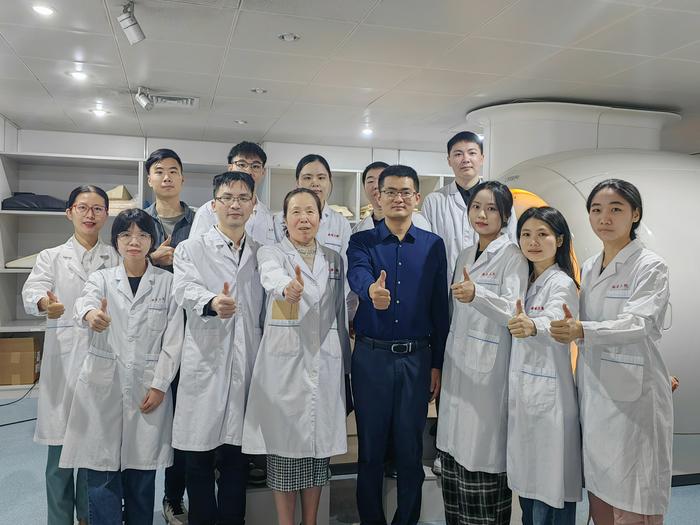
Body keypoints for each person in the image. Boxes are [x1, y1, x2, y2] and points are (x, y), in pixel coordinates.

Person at [550, 179, 672, 525]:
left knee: (634, 494)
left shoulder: (650, 265)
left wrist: (582, 330)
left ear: (635, 214)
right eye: (596, 210)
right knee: (601, 492)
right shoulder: (589, 266)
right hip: (596, 390)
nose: (604, 217)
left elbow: (641, 324)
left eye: (616, 209)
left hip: (633, 399)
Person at [59, 208, 183, 525]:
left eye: (142, 235)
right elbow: (83, 302)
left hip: (146, 390)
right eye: (126, 234)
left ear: (151, 241)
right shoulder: (102, 279)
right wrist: (91, 315)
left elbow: (173, 341)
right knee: (101, 475)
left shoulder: (167, 284)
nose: (134, 241)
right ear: (116, 241)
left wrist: (159, 385)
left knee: (141, 478)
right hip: (103, 388)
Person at [242, 188, 350, 525]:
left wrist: (344, 362)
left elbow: (339, 312)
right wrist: (288, 288)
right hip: (284, 365)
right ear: (284, 220)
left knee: (319, 454)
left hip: (325, 360)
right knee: (284, 452)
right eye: (296, 212)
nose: (304, 218)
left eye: (311, 212)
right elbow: (271, 278)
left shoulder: (334, 259)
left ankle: (311, 521)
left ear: (320, 217)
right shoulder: (271, 253)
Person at [347, 165, 448, 525]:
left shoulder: (433, 246)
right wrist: (371, 290)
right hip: (371, 358)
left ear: (416, 198)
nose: (398, 198)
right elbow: (356, 271)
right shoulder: (362, 241)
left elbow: (440, 308)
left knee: (409, 451)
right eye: (390, 191)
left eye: (405, 192)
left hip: (417, 359)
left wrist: (437, 363)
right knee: (370, 451)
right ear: (379, 196)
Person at [21, 185, 119, 525]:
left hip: (103, 361)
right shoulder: (51, 257)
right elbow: (32, 290)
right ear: (69, 212)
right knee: (60, 455)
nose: (90, 215)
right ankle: (59, 520)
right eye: (82, 207)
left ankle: (88, 517)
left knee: (94, 454)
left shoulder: (116, 257)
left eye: (97, 209)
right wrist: (47, 304)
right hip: (64, 360)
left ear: (106, 215)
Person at [172, 171, 265, 525]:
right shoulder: (191, 249)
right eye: (227, 198)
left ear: (253, 205)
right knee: (198, 458)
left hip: (246, 364)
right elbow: (182, 288)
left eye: (243, 198)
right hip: (205, 362)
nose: (235, 204)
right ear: (214, 206)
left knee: (236, 459)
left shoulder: (261, 254)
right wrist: (211, 301)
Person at [436, 180, 528, 525]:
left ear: (505, 215)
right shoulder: (463, 254)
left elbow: (514, 312)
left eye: (491, 209)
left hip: (490, 375)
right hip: (460, 367)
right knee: (456, 464)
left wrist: (479, 295)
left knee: (482, 461)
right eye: (476, 207)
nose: (482, 214)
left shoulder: (514, 256)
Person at [506, 206, 582, 525]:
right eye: (526, 234)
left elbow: (555, 316)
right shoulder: (523, 279)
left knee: (550, 490)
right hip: (525, 397)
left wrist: (534, 325)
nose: (533, 241)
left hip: (550, 400)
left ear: (559, 240)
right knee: (529, 486)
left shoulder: (561, 282)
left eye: (542, 234)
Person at [143, 148, 192, 525]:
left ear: (182, 178)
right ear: (149, 179)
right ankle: (138, 495)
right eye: (159, 171)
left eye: (173, 171)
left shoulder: (201, 220)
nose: (167, 177)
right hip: (147, 331)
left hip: (192, 330)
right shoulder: (137, 222)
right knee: (143, 411)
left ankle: (173, 496)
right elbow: (119, 265)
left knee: (182, 418)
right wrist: (150, 262)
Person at [422, 131, 516, 287]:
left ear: (482, 158)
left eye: (472, 153)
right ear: (449, 160)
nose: (465, 159)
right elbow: (426, 250)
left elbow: (511, 242)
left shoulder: (501, 199)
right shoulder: (434, 201)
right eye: (458, 154)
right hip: (445, 286)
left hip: (491, 285)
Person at [190, 141, 276, 246]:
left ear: (263, 172)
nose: (248, 171)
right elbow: (195, 249)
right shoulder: (208, 210)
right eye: (242, 164)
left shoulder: (268, 215)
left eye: (255, 166)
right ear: (230, 168)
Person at [273, 154, 352, 265]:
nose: (315, 183)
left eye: (321, 178)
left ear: (329, 181)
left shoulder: (341, 224)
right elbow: (277, 260)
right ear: (297, 183)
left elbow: (345, 267)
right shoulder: (280, 219)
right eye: (307, 178)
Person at [353, 161, 431, 233]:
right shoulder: (358, 229)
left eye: (381, 180)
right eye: (370, 181)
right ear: (364, 187)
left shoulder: (417, 222)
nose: (376, 186)